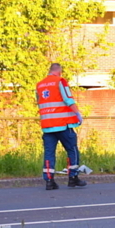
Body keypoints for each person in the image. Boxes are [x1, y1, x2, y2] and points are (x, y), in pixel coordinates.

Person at [35, 62, 86, 190]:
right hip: (62, 124)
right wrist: (77, 113)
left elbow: (39, 102)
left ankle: (49, 181)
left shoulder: (39, 85)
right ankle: (73, 178)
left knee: (49, 153)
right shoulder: (60, 81)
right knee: (72, 150)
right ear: (59, 71)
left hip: (47, 125)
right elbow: (68, 99)